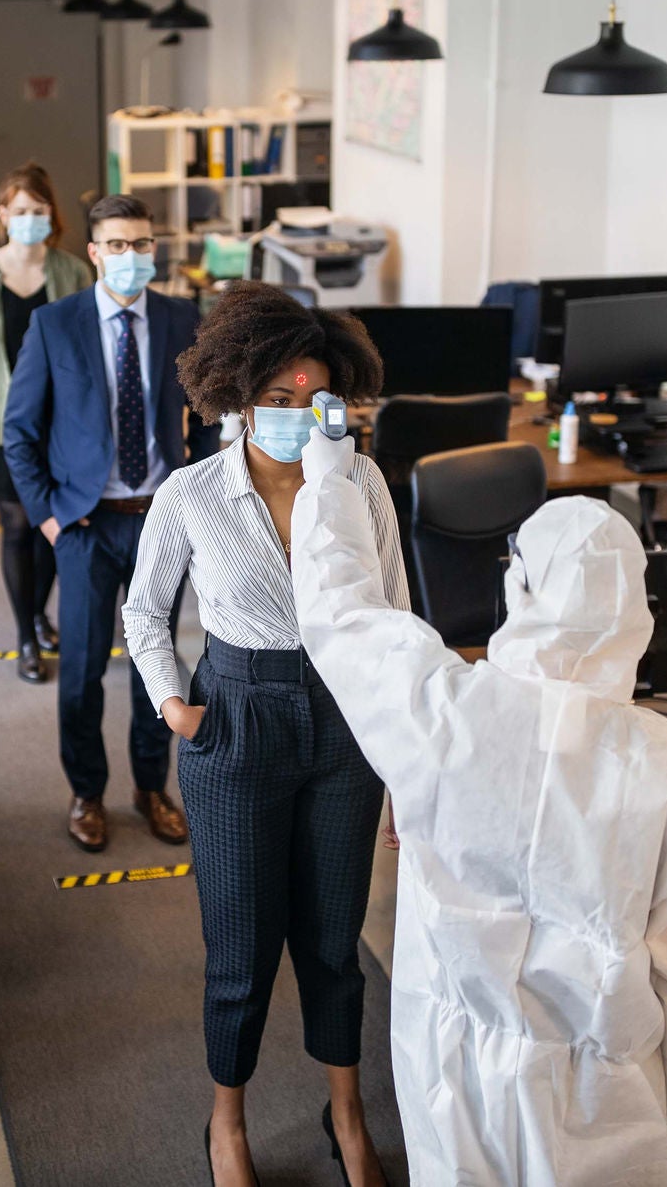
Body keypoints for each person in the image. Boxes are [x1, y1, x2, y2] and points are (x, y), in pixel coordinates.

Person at [290, 457, 667, 1187]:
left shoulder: (443, 718)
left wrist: (329, 484)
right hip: (603, 1096)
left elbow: (341, 613)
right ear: (635, 603)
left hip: (452, 1071)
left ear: (519, 587)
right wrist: (646, 1093)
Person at [123, 283, 403, 1187]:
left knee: (333, 943)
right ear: (239, 394)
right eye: (275, 399)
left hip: (344, 725)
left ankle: (348, 1113)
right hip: (236, 721)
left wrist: (406, 761)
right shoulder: (193, 491)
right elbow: (144, 611)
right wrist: (175, 704)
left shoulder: (358, 481)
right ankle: (226, 1122)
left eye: (312, 400)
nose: (293, 416)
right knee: (240, 951)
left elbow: (394, 613)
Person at [3, 194, 218, 852]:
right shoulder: (54, 325)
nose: (131, 257)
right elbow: (19, 433)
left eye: (142, 244)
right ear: (94, 253)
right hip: (86, 524)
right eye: (117, 246)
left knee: (158, 663)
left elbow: (207, 419)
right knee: (84, 668)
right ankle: (87, 791)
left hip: (160, 519)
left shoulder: (184, 318)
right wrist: (47, 517)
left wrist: (198, 498)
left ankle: (151, 786)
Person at [0, 162, 93, 681]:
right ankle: (24, 636)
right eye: (20, 211)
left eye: (39, 210)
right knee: (15, 527)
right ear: (3, 215)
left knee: (51, 527)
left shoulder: (73, 272)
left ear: (50, 215)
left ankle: (39, 614)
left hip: (60, 424)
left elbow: (88, 352)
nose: (30, 219)